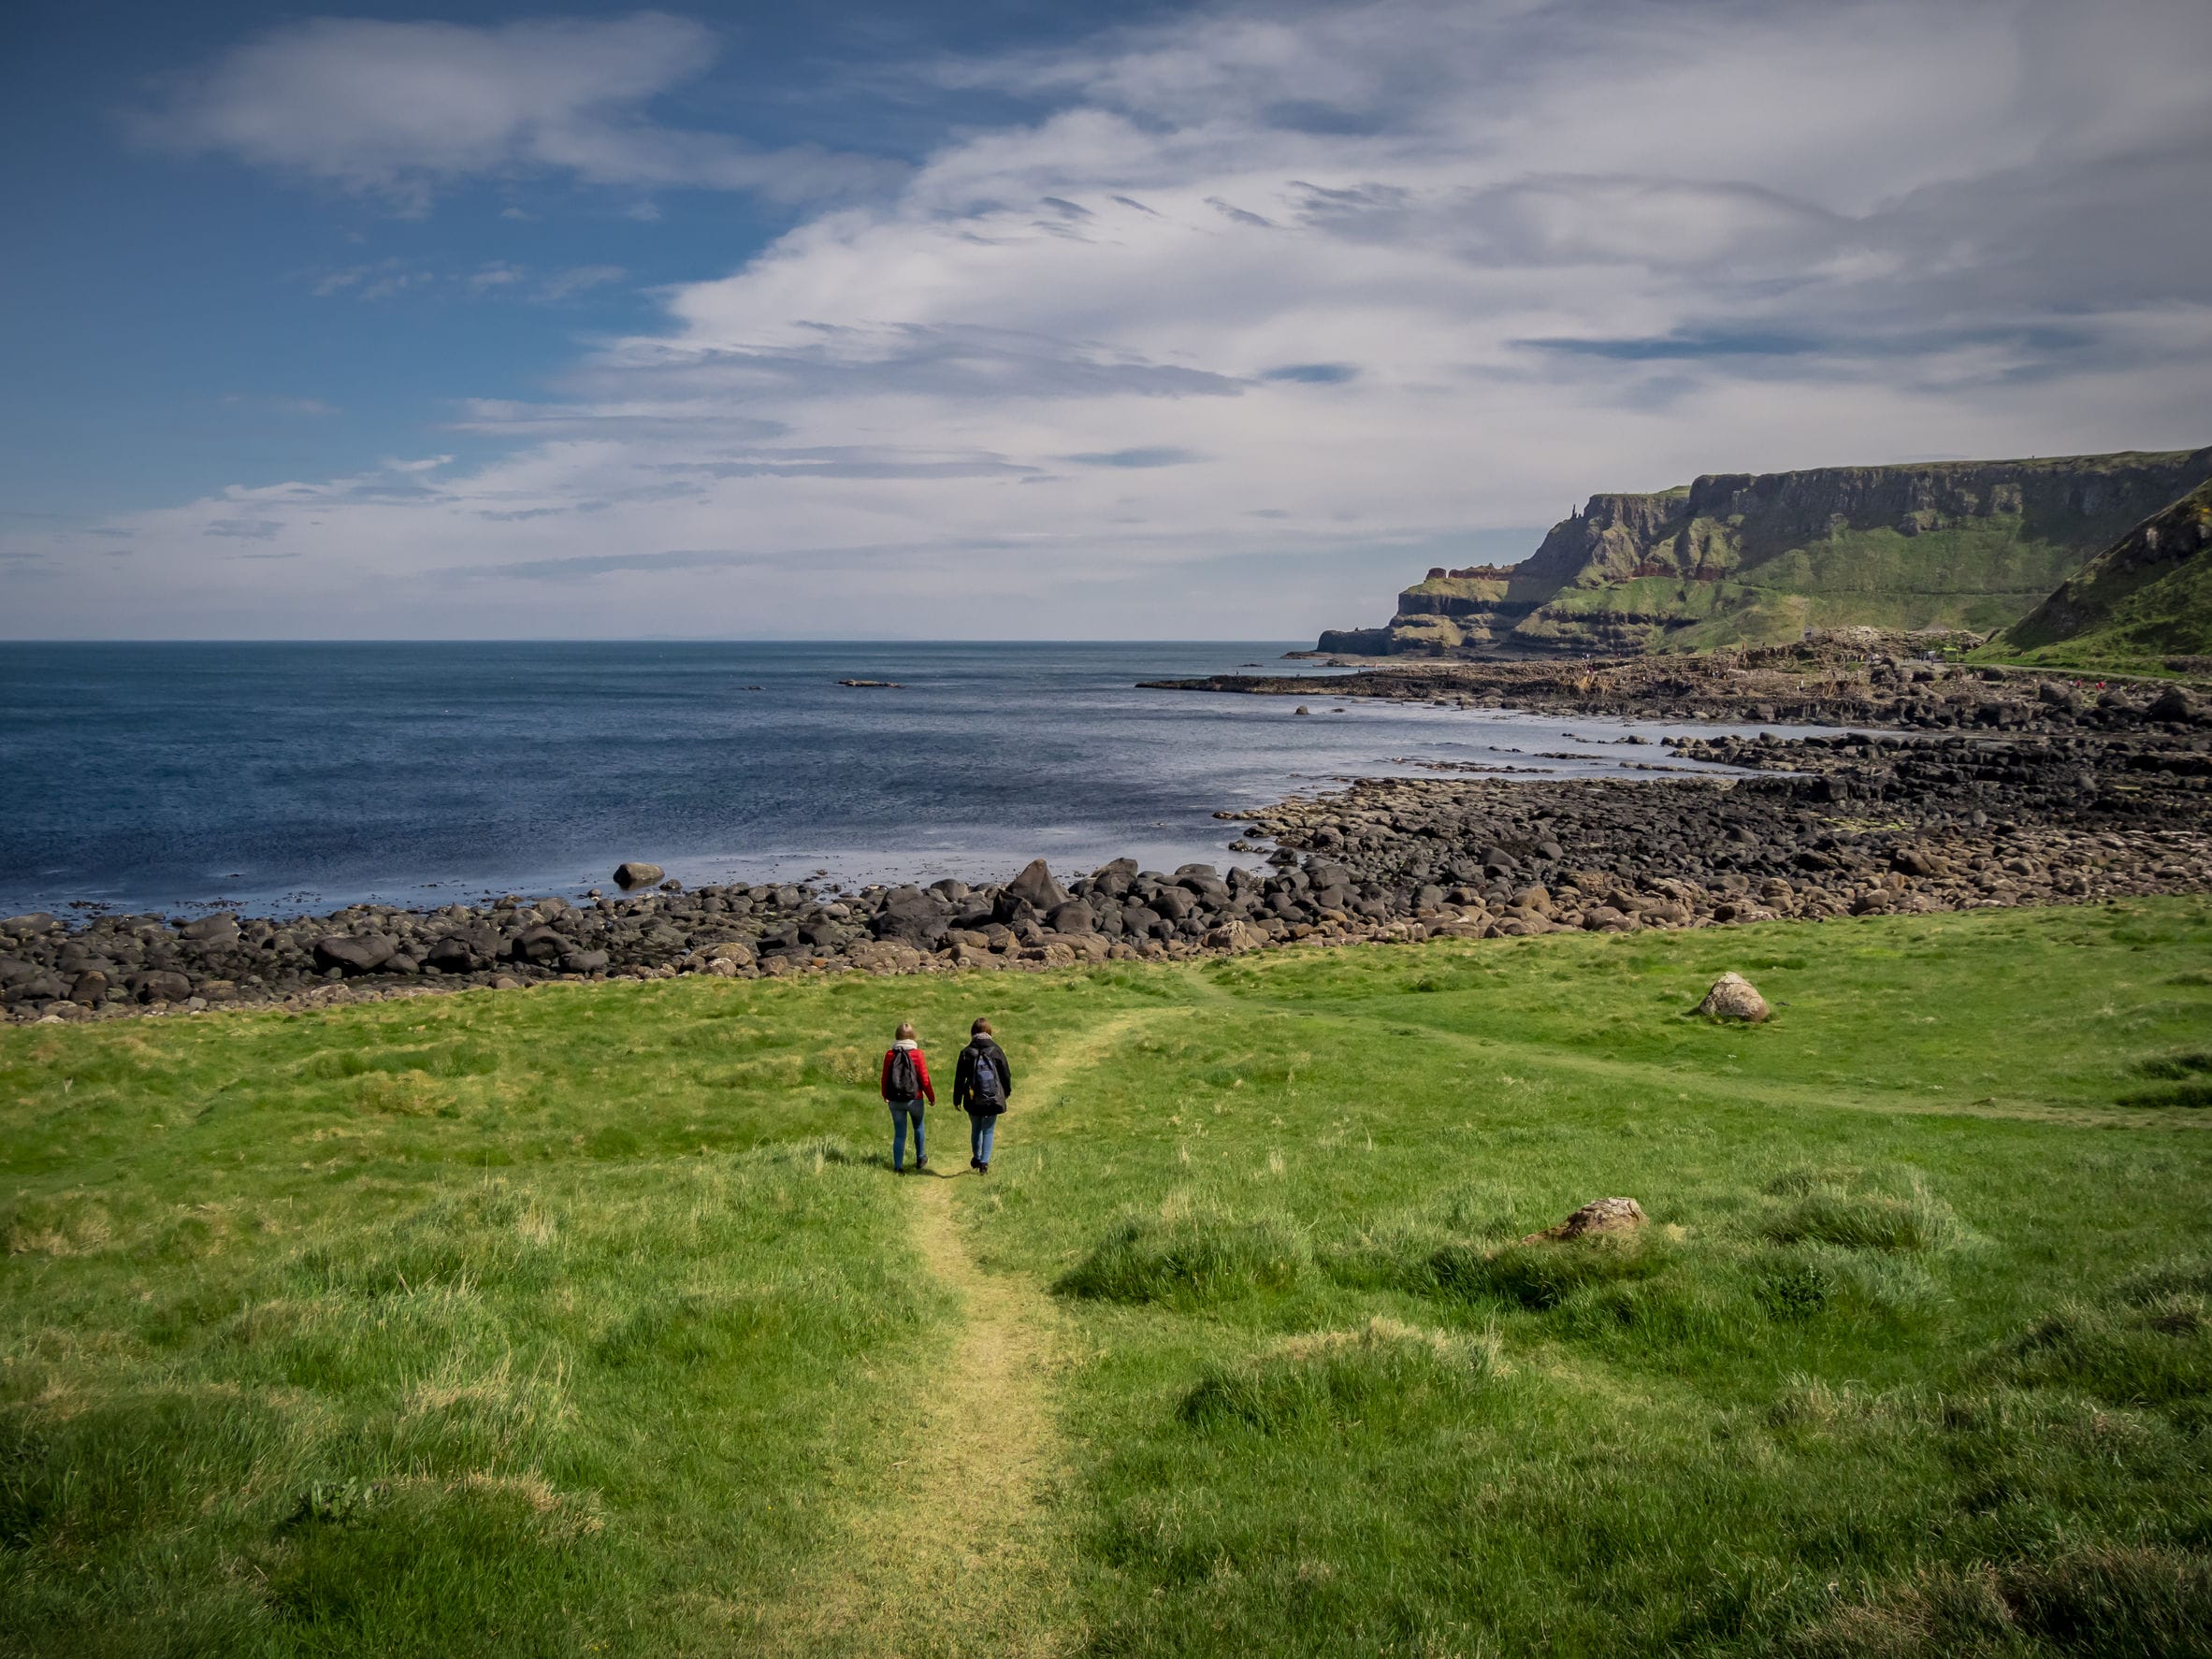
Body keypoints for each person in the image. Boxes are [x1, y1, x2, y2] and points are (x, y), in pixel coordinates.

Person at [952, 1017, 1014, 1174]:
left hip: (973, 1098)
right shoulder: (996, 1050)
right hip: (993, 1097)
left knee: (976, 1128)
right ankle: (984, 1163)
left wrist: (957, 1098)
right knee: (989, 1130)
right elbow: (1006, 1074)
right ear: (989, 1031)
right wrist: (1005, 1092)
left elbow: (959, 1078)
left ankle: (977, 1157)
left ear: (973, 1032)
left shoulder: (966, 1052)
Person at [879, 1022, 934, 1173]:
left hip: (895, 1100)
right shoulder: (918, 1054)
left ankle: (898, 1166)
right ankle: (920, 1157)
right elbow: (924, 1078)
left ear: (897, 1036)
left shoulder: (890, 1055)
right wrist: (931, 1096)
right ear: (913, 1036)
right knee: (918, 1126)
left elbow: (885, 1078)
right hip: (914, 1098)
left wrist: (885, 1095)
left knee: (899, 1133)